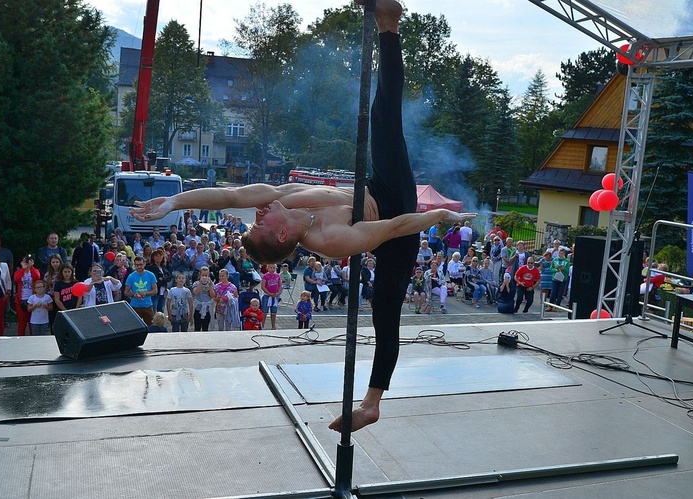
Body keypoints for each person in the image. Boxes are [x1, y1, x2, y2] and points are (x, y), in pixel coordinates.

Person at [129, 0, 474, 432]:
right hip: (398, 219)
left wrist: (177, 201)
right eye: (259, 222)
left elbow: (231, 196)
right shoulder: (330, 240)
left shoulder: (285, 199)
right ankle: (372, 403)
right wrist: (438, 213)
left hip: (375, 186)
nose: (257, 212)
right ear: (278, 236)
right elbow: (397, 227)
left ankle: (389, 20)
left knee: (382, 115)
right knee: (386, 308)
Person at [124, 256, 158, 325]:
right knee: (135, 328)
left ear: (144, 264)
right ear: (134, 265)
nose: (139, 267)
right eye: (137, 265)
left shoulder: (151, 275)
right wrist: (134, 295)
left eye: (141, 265)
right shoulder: (131, 276)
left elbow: (155, 291)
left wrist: (146, 293)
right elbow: (126, 292)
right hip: (135, 306)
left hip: (147, 305)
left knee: (151, 327)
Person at [14, 254, 41, 335]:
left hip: (32, 300)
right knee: (22, 322)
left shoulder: (34, 271)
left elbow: (37, 277)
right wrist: (23, 269)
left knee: (32, 322)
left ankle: (32, 338)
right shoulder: (19, 271)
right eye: (24, 261)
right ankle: (20, 338)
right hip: (21, 300)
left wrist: (31, 267)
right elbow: (16, 278)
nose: (26, 263)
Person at [191, 266, 215, 331]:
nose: (204, 277)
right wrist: (200, 284)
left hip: (207, 309)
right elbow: (195, 293)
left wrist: (210, 286)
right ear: (200, 275)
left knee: (205, 328)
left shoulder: (211, 284)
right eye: (203, 275)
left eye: (206, 275)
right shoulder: (196, 283)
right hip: (198, 308)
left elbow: (213, 295)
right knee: (197, 328)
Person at [260, 263, 281, 329]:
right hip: (267, 296)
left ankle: (273, 326)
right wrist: (269, 293)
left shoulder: (277, 276)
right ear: (267, 268)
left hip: (275, 296)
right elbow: (263, 286)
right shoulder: (265, 276)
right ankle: (262, 326)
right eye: (270, 268)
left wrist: (278, 293)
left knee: (273, 312)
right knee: (264, 312)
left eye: (273, 268)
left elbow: (280, 285)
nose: (272, 269)